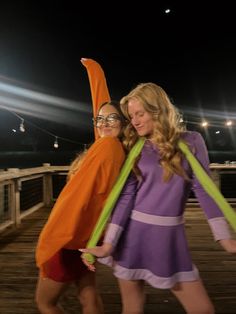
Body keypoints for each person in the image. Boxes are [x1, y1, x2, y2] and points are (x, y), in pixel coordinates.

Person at [80, 82, 236, 314]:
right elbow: (125, 196)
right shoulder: (135, 147)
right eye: (132, 116)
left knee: (202, 309)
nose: (134, 121)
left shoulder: (192, 141)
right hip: (132, 238)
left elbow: (204, 189)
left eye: (140, 113)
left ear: (158, 110)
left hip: (170, 239)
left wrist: (225, 239)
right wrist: (108, 245)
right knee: (132, 309)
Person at [35, 58, 127, 314]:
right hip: (87, 235)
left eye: (112, 119)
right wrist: (96, 73)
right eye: (100, 119)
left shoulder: (107, 148)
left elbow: (81, 198)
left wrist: (53, 239)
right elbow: (102, 111)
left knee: (45, 303)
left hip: (69, 236)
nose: (103, 123)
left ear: (124, 123)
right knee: (88, 296)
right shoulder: (113, 146)